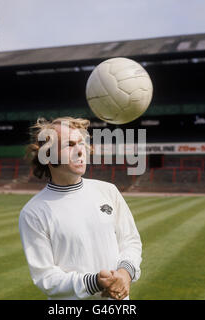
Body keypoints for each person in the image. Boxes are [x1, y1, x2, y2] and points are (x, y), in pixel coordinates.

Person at [19, 116, 142, 300]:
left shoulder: (108, 191)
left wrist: (125, 273)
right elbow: (46, 278)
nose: (80, 150)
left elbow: (130, 241)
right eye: (69, 144)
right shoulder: (33, 213)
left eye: (81, 143)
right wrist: (95, 282)